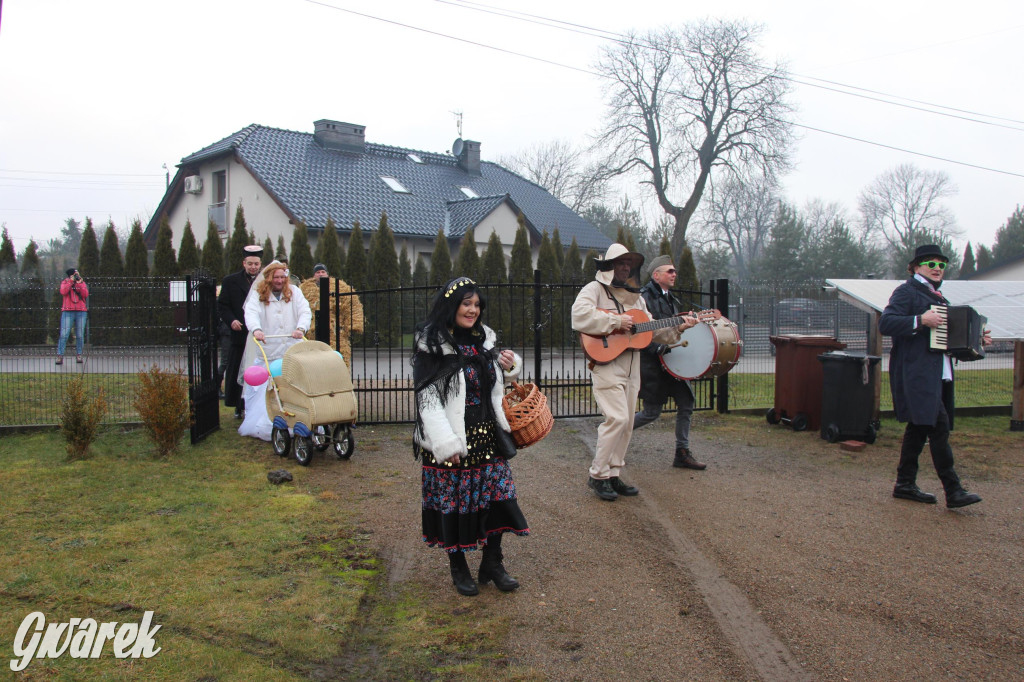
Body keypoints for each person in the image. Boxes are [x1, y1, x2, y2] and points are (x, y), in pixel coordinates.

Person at [413, 276, 527, 596]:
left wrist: (509, 365)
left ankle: (492, 562)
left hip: (487, 435)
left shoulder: (483, 340)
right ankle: (458, 566)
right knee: (455, 505)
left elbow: (492, 383)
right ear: (452, 306)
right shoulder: (432, 345)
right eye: (466, 304)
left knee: (500, 497)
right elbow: (428, 400)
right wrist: (444, 442)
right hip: (451, 438)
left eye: (477, 305)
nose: (473, 310)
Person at [571, 244, 698, 501]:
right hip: (606, 364)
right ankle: (597, 475)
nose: (626, 267)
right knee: (616, 419)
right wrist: (616, 321)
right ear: (609, 265)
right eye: (621, 263)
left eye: (629, 263)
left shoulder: (636, 298)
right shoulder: (594, 290)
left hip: (632, 365)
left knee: (627, 423)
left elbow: (650, 330)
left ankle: (613, 474)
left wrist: (679, 327)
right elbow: (579, 316)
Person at [879, 244, 989, 509]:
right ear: (916, 267)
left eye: (941, 265)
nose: (938, 269)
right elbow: (886, 323)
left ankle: (904, 484)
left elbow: (949, 344)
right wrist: (919, 320)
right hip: (917, 375)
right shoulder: (907, 291)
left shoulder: (939, 298)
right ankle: (953, 490)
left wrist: (979, 341)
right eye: (932, 264)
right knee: (938, 429)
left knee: (919, 427)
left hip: (937, 375)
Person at [631, 255, 706, 469]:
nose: (674, 274)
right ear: (656, 275)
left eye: (674, 271)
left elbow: (671, 330)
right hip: (653, 365)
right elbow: (639, 332)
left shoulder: (671, 299)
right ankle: (615, 434)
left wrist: (684, 324)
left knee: (687, 403)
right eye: (669, 271)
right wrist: (657, 347)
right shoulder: (644, 297)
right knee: (651, 413)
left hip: (672, 364)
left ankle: (682, 453)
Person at [238, 261, 312, 440]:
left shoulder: (295, 292)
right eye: (276, 277)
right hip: (269, 348)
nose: (279, 281)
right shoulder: (258, 295)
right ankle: (266, 424)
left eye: (282, 277)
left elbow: (305, 311)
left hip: (290, 348)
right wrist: (256, 329)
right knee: (267, 388)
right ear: (269, 278)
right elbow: (251, 312)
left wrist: (301, 328)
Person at [218, 245, 262, 418]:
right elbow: (222, 305)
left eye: (256, 264)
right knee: (238, 369)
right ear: (244, 263)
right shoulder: (231, 281)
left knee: (257, 368)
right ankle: (239, 404)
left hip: (259, 334)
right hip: (239, 332)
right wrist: (231, 321)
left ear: (260, 264)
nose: (253, 267)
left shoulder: (266, 280)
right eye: (250, 264)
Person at [298, 263, 364, 362]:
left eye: (323, 272)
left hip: (336, 330)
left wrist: (354, 325)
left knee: (339, 355)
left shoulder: (341, 287)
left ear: (327, 274)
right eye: (318, 272)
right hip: (312, 330)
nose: (320, 274)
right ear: (314, 275)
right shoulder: (304, 289)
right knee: (313, 358)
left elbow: (353, 305)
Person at [56, 267, 89, 365]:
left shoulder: (81, 283)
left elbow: (85, 294)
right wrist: (71, 282)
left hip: (81, 311)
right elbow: (63, 292)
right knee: (64, 334)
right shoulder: (65, 282)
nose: (77, 276)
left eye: (77, 274)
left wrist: (80, 284)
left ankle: (79, 354)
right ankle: (60, 355)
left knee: (79, 335)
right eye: (75, 274)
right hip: (68, 311)